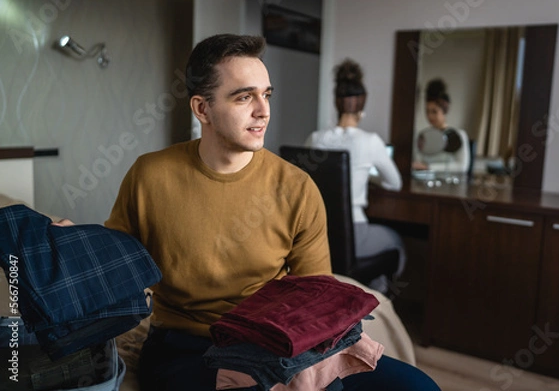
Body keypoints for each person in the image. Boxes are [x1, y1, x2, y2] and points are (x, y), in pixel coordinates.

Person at [70, 34, 440, 391]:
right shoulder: (149, 175)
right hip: (186, 346)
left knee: (417, 386)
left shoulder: (296, 187)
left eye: (266, 95)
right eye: (244, 97)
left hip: (274, 340)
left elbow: (316, 297)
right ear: (202, 108)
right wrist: (73, 245)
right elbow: (114, 266)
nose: (263, 110)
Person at [305, 58, 406, 293]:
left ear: (336, 103)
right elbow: (394, 183)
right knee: (398, 241)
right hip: (354, 234)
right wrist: (366, 176)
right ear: (361, 107)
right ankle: (379, 299)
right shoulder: (370, 141)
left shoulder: (316, 138)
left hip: (317, 234)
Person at [412, 79, 470, 173]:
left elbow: (462, 166)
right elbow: (418, 161)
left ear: (444, 111)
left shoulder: (459, 135)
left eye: (434, 112)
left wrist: (429, 167)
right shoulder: (423, 136)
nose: (430, 116)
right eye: (427, 111)